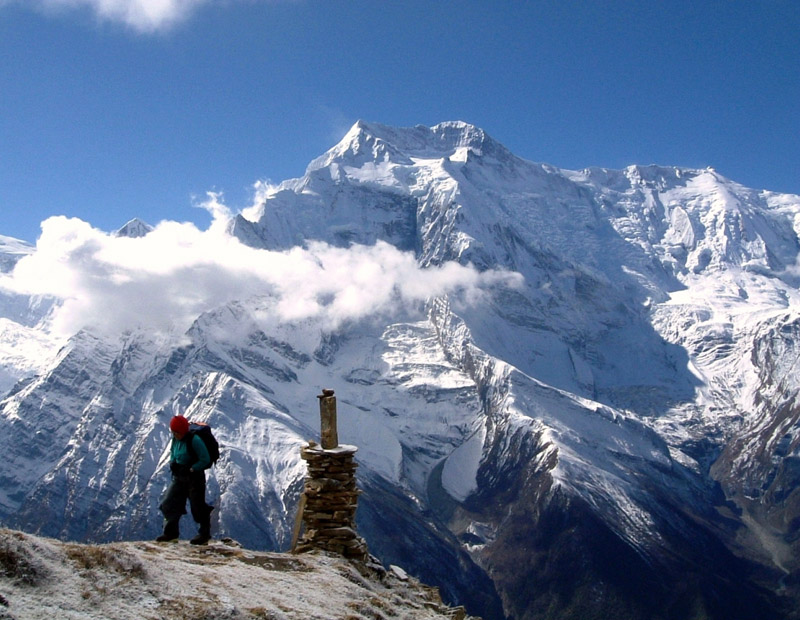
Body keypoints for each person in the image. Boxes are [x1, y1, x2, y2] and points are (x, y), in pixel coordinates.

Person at [156, 415, 214, 545]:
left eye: (177, 432)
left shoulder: (195, 440)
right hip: (179, 477)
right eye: (173, 432)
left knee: (197, 508)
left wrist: (192, 469)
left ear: (183, 431)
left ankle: (204, 534)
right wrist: (173, 462)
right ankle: (170, 533)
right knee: (168, 503)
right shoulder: (175, 439)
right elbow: (173, 452)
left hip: (194, 479)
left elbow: (205, 459)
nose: (175, 435)